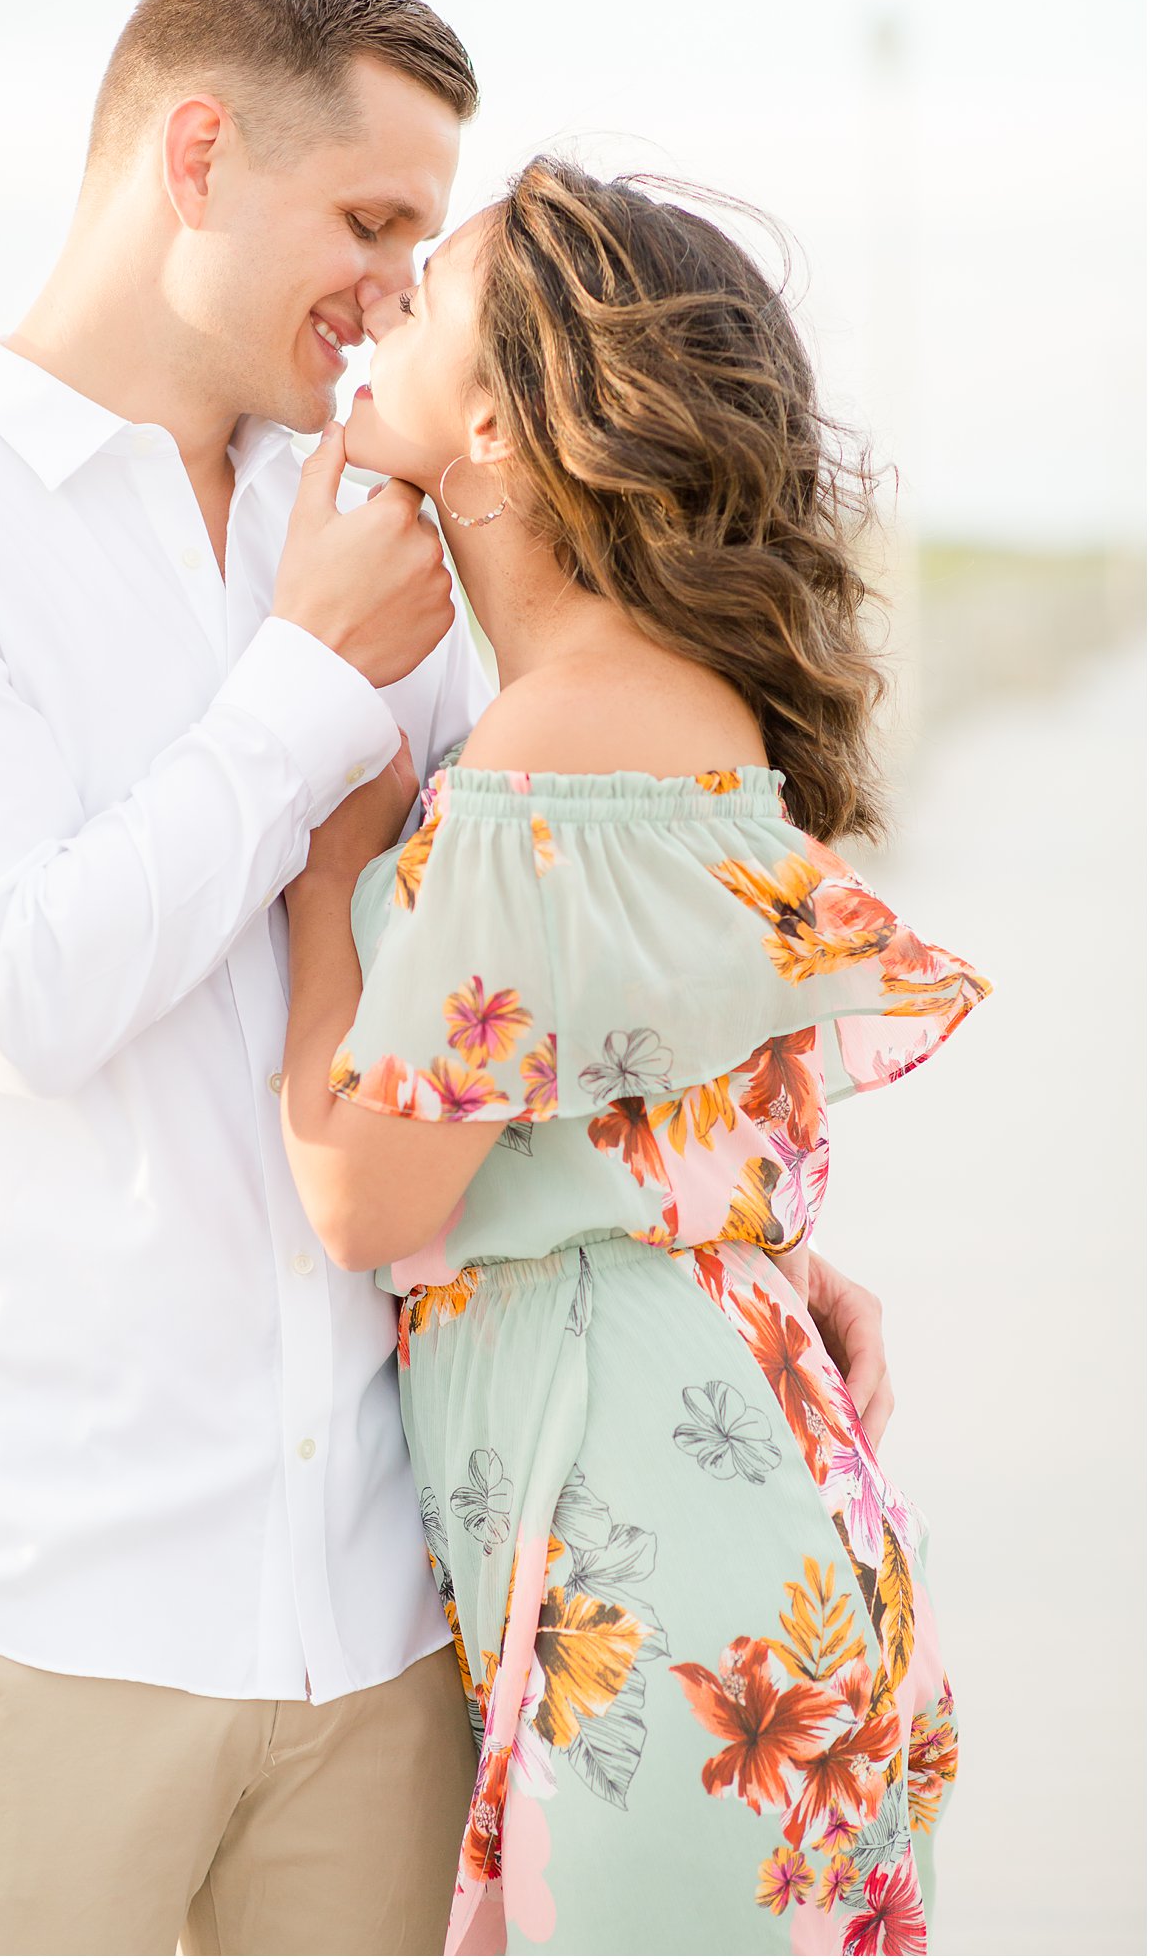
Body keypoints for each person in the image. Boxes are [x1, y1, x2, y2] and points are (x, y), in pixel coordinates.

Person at [0, 0, 891, 1959]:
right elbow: (21, 986)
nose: (386, 286)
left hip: (385, 1604)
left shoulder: (391, 522)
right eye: (366, 218)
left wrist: (719, 1248)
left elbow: (496, 963)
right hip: (30, 1604)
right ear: (194, 152)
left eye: (422, 236)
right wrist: (293, 687)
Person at [281, 159, 986, 1955]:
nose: (383, 312)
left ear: (504, 419)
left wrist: (336, 842)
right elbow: (644, 1099)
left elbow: (363, 1191)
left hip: (660, 1560)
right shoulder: (656, 706)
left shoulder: (548, 752)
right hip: (716, 1498)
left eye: (425, 291)